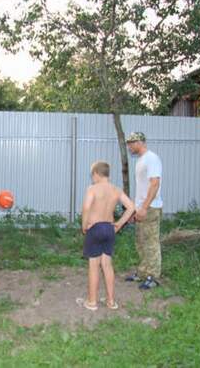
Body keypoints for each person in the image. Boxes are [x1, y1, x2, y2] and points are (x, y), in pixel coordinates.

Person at [79, 160, 135, 311]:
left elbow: (86, 207)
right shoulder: (116, 190)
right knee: (107, 265)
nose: (92, 178)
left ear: (96, 174)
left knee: (94, 266)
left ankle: (92, 302)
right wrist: (119, 224)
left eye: (92, 175)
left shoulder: (92, 189)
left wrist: (84, 226)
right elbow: (131, 207)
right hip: (109, 229)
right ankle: (111, 301)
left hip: (95, 229)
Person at [125, 132, 163, 290]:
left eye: (131, 143)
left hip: (151, 208)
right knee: (141, 242)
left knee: (151, 243)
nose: (129, 146)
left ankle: (153, 277)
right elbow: (141, 188)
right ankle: (142, 272)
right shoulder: (141, 160)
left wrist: (145, 208)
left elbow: (155, 184)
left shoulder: (151, 158)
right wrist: (134, 210)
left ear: (140, 142)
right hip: (142, 208)